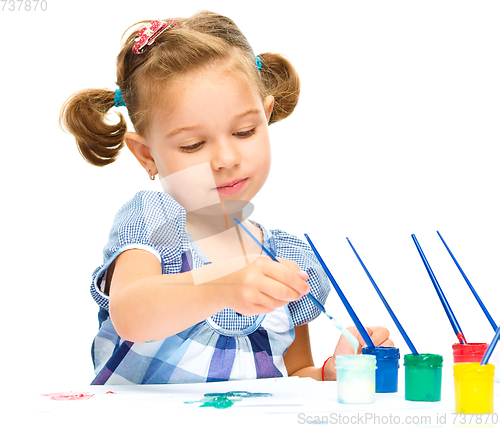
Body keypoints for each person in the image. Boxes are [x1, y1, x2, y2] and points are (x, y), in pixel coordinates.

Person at [60, 11, 393, 385]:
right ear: (147, 155)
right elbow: (131, 313)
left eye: (245, 131)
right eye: (193, 144)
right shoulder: (154, 221)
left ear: (266, 117)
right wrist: (225, 286)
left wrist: (334, 372)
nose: (226, 159)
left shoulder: (285, 258)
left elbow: (295, 374)